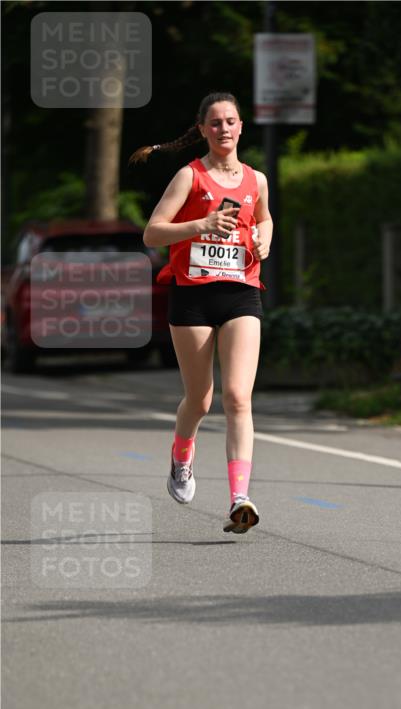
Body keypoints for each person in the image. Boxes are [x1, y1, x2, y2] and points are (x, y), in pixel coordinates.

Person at [130, 91, 272, 534]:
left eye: (231, 121)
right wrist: (202, 225)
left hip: (240, 293)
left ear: (241, 127)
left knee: (238, 397)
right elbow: (152, 234)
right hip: (192, 296)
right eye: (215, 123)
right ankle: (182, 455)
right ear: (203, 130)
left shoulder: (256, 179)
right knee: (201, 399)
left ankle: (239, 499)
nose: (224, 129)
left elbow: (265, 218)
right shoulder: (189, 177)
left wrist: (266, 237)